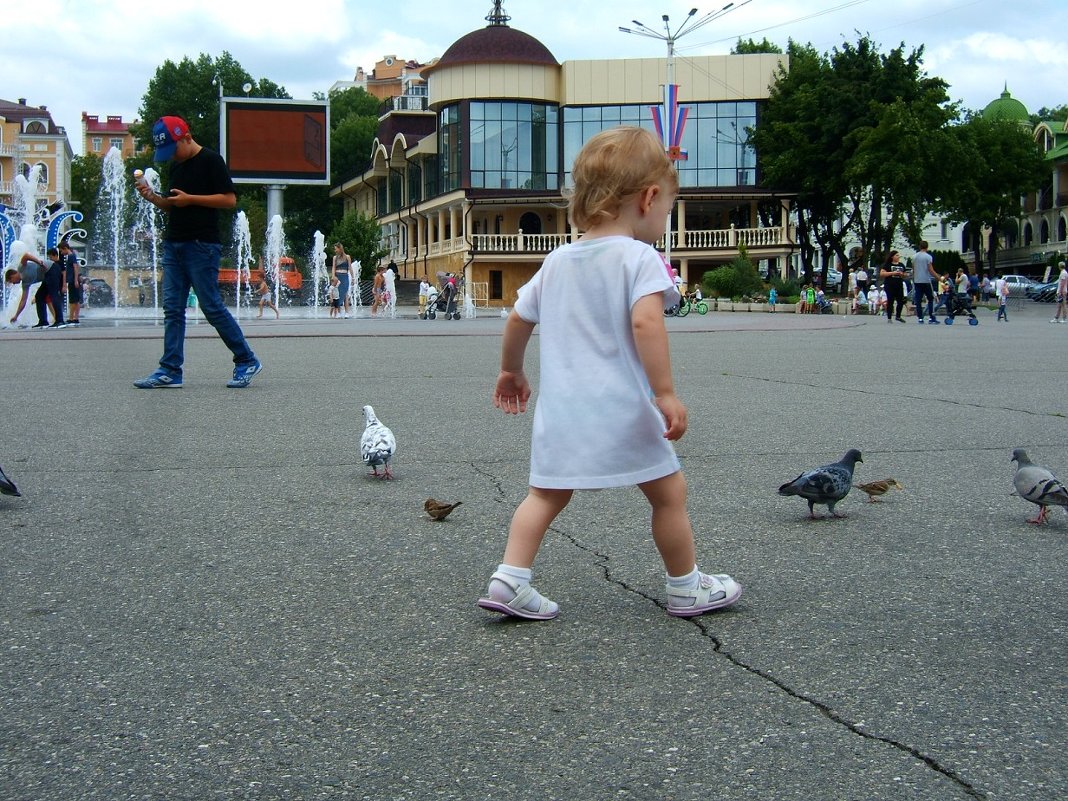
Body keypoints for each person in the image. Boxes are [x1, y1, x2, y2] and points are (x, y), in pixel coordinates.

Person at [476, 126, 741, 622]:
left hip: (562, 413)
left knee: (544, 496)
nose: (664, 219)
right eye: (666, 210)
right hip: (623, 407)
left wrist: (511, 370)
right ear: (649, 198)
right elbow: (646, 321)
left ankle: (510, 579)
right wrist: (665, 392)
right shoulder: (641, 257)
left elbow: (518, 318)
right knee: (668, 494)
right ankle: (686, 586)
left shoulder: (556, 260)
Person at [133, 116, 261, 389]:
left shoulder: (211, 160)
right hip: (174, 243)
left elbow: (229, 199)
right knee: (173, 310)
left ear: (186, 137)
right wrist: (154, 198)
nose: (171, 156)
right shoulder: (176, 167)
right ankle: (170, 370)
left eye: (172, 149)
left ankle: (246, 359)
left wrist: (191, 199)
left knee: (211, 306)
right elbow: (173, 206)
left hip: (202, 245)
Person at [9, 252, 50, 328]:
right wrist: (16, 316)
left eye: (12, 281)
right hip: (47, 277)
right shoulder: (25, 284)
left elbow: (26, 255)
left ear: (12, 276)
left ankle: (59, 320)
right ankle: (43, 321)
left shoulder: (21, 268)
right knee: (39, 297)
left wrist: (39, 262)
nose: (14, 284)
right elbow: (23, 301)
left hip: (51, 268)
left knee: (52, 296)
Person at [37, 247, 67, 329]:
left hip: (58, 284)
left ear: (55, 255)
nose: (50, 259)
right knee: (48, 299)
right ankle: (54, 319)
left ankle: (59, 319)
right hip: (53, 283)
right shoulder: (52, 264)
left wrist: (64, 285)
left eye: (50, 257)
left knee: (55, 299)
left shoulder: (59, 263)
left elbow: (64, 273)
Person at [911, 240, 940, 324]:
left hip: (917, 281)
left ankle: (920, 318)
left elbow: (914, 269)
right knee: (931, 299)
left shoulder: (914, 257)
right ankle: (931, 317)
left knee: (918, 300)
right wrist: (938, 277)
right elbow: (930, 270)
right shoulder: (928, 257)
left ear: (919, 247)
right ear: (927, 247)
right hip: (926, 280)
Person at [880, 251, 907, 323]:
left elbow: (905, 274)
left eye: (898, 255)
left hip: (899, 284)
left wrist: (902, 274)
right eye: (896, 255)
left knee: (900, 301)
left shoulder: (901, 265)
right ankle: (889, 317)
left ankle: (898, 316)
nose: (898, 257)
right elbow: (882, 273)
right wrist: (893, 273)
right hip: (889, 285)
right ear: (892, 256)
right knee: (890, 301)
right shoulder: (887, 265)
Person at [60, 241, 82, 326]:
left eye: (62, 251)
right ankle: (74, 318)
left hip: (73, 280)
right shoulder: (71, 256)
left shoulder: (71, 256)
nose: (61, 253)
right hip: (72, 280)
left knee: (73, 300)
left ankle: (72, 318)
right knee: (75, 300)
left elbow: (75, 267)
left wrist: (76, 279)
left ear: (65, 248)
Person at [331, 243, 353, 318]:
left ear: (340, 248)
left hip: (345, 276)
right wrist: (333, 276)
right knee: (337, 294)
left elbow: (350, 268)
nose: (335, 250)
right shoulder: (335, 258)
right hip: (338, 277)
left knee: (345, 294)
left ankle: (347, 312)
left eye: (336, 248)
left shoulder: (347, 257)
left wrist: (353, 278)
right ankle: (339, 312)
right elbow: (333, 267)